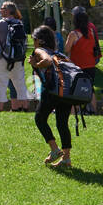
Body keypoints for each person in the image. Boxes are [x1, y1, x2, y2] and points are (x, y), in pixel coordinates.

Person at [30, 26, 73, 170]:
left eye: (33, 40)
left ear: (39, 40)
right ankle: (66, 159)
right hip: (66, 92)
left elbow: (47, 61)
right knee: (62, 124)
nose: (33, 43)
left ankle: (55, 149)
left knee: (39, 118)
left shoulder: (40, 50)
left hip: (52, 91)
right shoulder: (60, 53)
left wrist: (35, 64)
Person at [0, 1, 29, 113]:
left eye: (2, 8)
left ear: (8, 11)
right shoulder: (20, 23)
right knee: (20, 84)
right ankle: (26, 109)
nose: (0, 10)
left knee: (1, 84)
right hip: (18, 59)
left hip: (3, 58)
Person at [65, 6, 101, 113]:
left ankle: (75, 111)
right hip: (90, 65)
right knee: (91, 89)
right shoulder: (91, 32)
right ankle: (93, 110)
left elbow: (67, 49)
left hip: (77, 66)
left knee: (75, 89)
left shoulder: (73, 34)